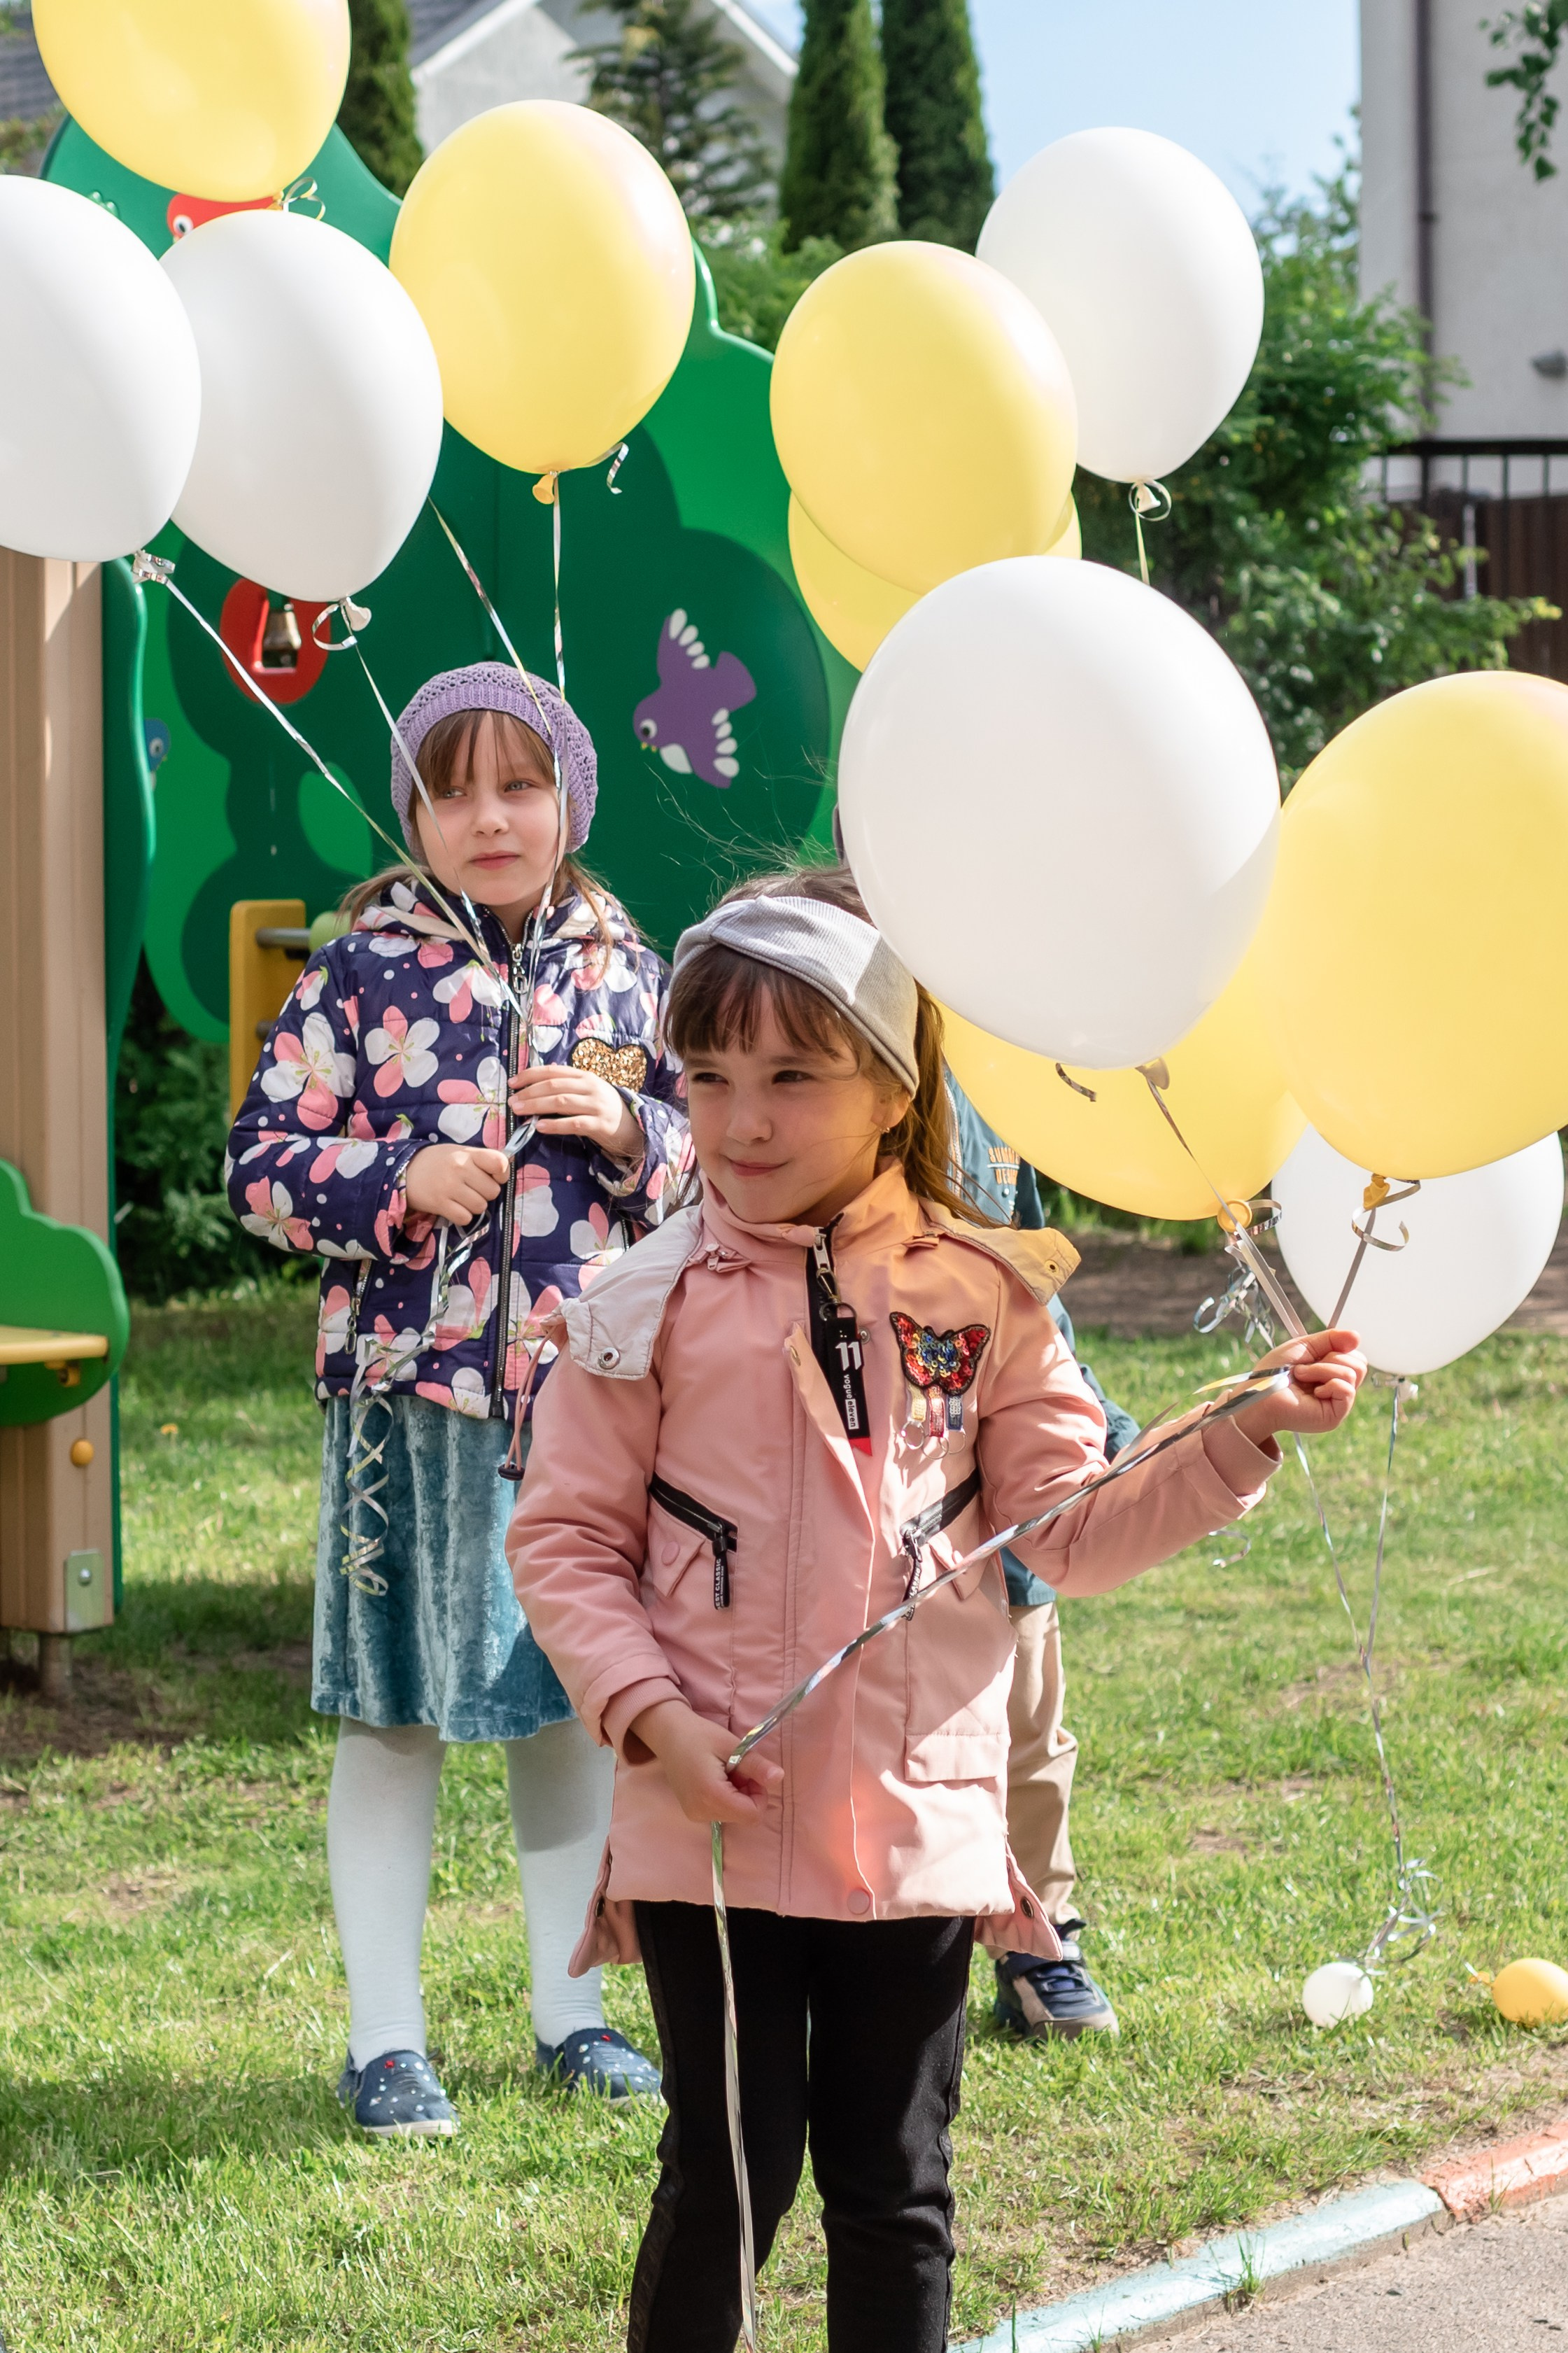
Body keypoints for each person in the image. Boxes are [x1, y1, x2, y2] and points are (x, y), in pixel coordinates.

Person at [507, 862, 1365, 2353]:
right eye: (705, 1078)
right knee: (728, 2174)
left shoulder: (984, 1297)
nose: (738, 1121)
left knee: (894, 2185)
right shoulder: (635, 1305)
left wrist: (1240, 1435)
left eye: (790, 1075)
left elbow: (1068, 1532)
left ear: (895, 1088)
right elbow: (566, 1543)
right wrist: (646, 1720)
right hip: (703, 1826)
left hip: (916, 1824)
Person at [226, 662, 689, 2136]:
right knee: (396, 1712)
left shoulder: (624, 962)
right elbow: (255, 1166)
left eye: (519, 785)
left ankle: (575, 2010)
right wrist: (391, 1182)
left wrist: (628, 1123)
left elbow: (713, 1148)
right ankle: (384, 2041)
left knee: (566, 1703)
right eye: (451, 788)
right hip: (406, 1408)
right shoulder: (358, 973)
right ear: (412, 809)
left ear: (569, 801)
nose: (488, 817)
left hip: (588, 1404)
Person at [946, 1081, 1135, 2040]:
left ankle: (1039, 1938)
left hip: (1007, 1429)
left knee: (1028, 1719)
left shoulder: (993, 1085)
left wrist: (1091, 1407)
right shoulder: (827, 1061)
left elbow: (1034, 1279)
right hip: (884, 1456)